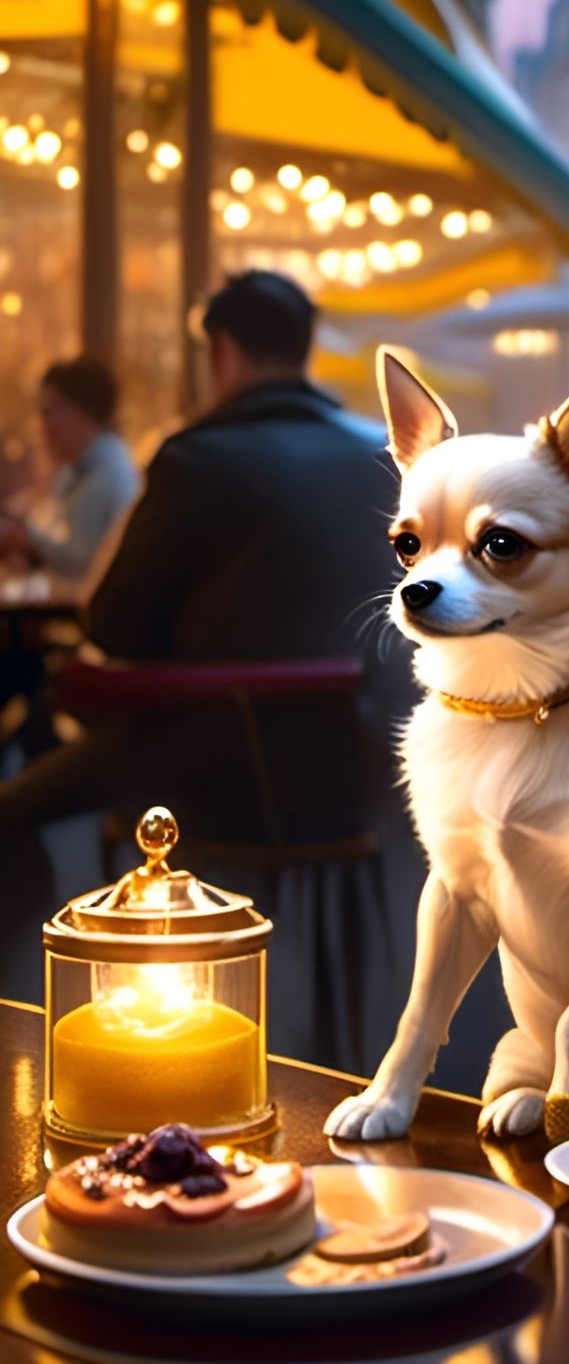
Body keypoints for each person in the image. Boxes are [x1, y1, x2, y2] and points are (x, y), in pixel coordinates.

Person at [0, 272, 402, 1061]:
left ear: (219, 352)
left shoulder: (196, 458)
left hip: (207, 755)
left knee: (8, 809)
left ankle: (18, 1016)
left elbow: (114, 624)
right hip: (348, 770)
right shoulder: (379, 453)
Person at [0, 357, 138, 586]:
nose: (42, 425)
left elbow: (86, 568)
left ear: (82, 414)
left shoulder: (110, 476)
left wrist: (24, 541)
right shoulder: (77, 472)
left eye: (48, 412)